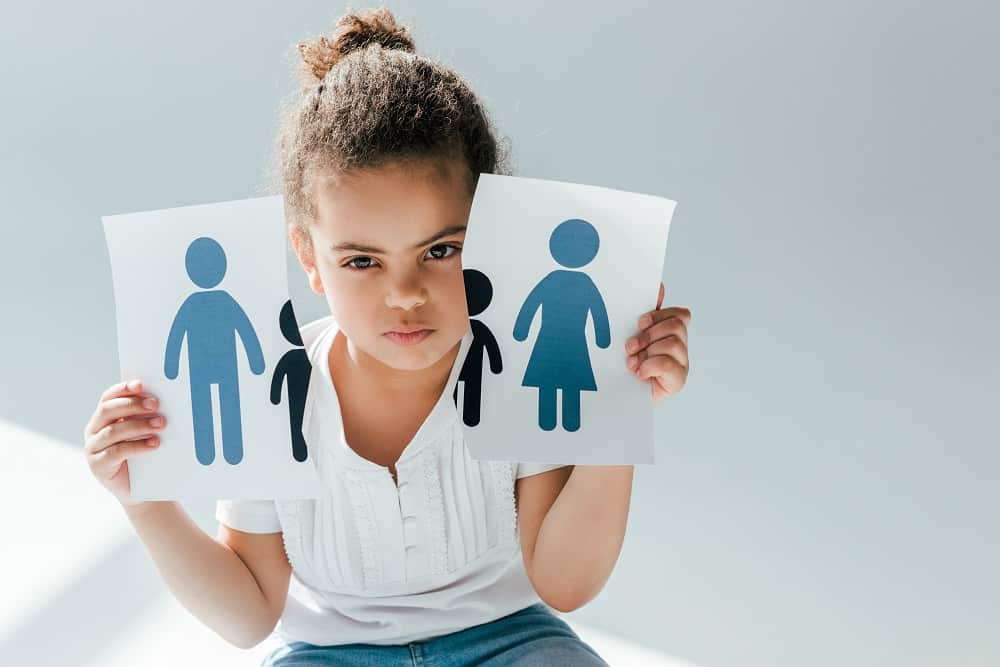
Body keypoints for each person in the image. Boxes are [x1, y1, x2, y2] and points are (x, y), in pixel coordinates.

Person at [82, 7, 692, 665]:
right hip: (328, 653)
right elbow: (248, 612)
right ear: (309, 259)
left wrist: (616, 420)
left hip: (510, 642)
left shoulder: (515, 370)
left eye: (439, 250)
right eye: (361, 261)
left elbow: (565, 581)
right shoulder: (273, 392)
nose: (405, 295)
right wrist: (145, 503)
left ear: (493, 232)